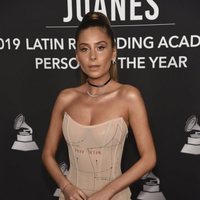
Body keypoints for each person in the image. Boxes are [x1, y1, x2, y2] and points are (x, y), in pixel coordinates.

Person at [42, 11, 156, 200]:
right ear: (77, 56)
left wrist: (106, 192)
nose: (92, 57)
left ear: (113, 53)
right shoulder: (65, 98)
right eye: (84, 49)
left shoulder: (129, 96)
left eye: (100, 47)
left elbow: (149, 158)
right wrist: (66, 187)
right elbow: (47, 153)